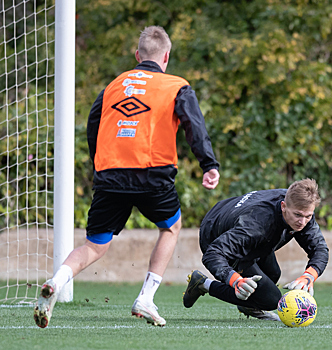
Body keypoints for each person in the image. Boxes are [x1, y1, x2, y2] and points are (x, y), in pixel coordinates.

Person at [33, 26, 220, 328]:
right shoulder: (175, 85)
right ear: (166, 57)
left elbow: (93, 125)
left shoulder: (113, 86)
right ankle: (146, 297)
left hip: (110, 174)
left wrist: (100, 166)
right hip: (152, 174)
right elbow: (193, 124)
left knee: (94, 246)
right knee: (171, 228)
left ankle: (56, 280)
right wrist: (208, 164)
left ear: (137, 55)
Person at [183, 178, 329, 321]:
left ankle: (249, 305)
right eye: (297, 215)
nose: (302, 222)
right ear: (283, 206)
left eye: (308, 216)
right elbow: (213, 254)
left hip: (233, 216)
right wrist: (235, 280)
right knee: (271, 299)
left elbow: (320, 248)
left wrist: (309, 276)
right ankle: (202, 284)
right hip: (215, 234)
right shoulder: (256, 226)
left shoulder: (299, 204)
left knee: (273, 273)